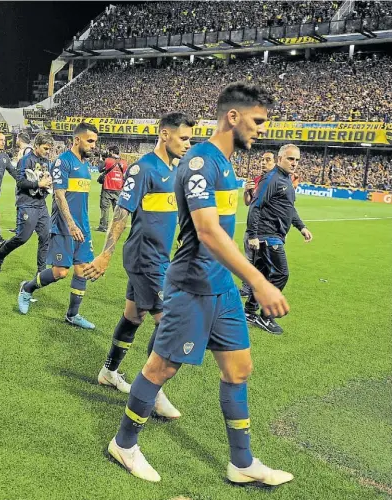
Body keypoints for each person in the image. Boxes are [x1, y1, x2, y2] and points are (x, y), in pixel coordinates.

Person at [106, 83, 294, 487]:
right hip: (192, 284)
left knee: (239, 369)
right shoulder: (198, 162)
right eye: (257, 120)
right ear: (233, 116)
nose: (262, 129)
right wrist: (258, 281)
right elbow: (207, 232)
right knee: (162, 366)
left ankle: (241, 463)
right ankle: (124, 443)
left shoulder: (225, 164)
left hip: (220, 285)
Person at [84, 113, 195, 422]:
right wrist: (105, 254)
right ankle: (153, 391)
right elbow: (122, 212)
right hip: (145, 259)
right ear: (164, 135)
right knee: (171, 322)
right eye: (183, 138)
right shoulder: (143, 168)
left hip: (160, 257)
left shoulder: (175, 170)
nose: (188, 144)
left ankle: (109, 371)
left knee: (133, 316)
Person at [17, 122, 99, 330]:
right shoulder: (63, 162)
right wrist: (71, 224)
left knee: (82, 270)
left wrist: (81, 225)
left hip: (83, 226)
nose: (93, 145)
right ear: (77, 139)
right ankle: (26, 288)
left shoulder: (84, 165)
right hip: (64, 225)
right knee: (60, 272)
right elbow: (60, 195)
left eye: (95, 142)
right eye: (90, 141)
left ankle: (73, 315)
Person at [244, 144, 313, 334]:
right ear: (280, 158)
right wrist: (253, 235)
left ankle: (249, 311)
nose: (295, 163)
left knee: (264, 276)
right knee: (281, 274)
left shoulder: (287, 180)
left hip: (275, 235)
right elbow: (255, 206)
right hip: (267, 236)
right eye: (291, 159)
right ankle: (266, 317)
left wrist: (301, 227)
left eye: (297, 160)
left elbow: (289, 209)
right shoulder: (272, 178)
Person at [0, 132, 53, 274]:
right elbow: (20, 182)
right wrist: (39, 183)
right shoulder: (26, 160)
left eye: (49, 149)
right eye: (45, 148)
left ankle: (41, 271)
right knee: (22, 237)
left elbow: (44, 180)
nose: (48, 152)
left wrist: (48, 184)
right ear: (36, 146)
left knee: (46, 236)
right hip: (26, 204)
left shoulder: (45, 161)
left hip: (40, 204)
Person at [239, 151, 275, 297]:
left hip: (265, 230)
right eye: (262, 160)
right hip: (251, 228)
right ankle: (247, 289)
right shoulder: (257, 179)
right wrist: (246, 191)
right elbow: (248, 202)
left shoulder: (276, 181)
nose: (263, 162)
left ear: (275, 162)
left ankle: (260, 290)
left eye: (267, 160)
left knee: (263, 263)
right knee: (248, 260)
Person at [95, 146, 126, 232]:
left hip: (108, 187)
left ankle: (103, 226)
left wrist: (101, 160)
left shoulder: (108, 160)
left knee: (105, 208)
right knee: (117, 208)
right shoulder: (123, 162)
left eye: (109, 151)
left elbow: (100, 169)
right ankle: (119, 226)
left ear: (112, 151)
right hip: (118, 188)